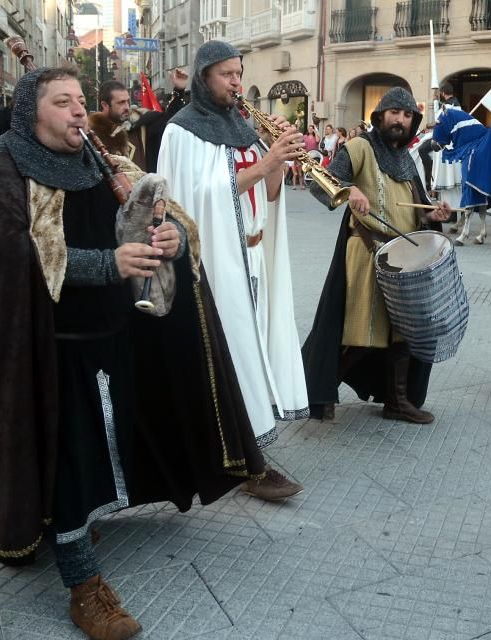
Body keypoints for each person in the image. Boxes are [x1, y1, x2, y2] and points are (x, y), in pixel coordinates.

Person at [0, 65, 281, 640]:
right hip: (45, 353)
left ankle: (66, 520)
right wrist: (105, 265)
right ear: (31, 112)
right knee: (67, 451)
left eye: (80, 100)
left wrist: (171, 236)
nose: (78, 111)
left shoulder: (109, 165)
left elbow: (165, 223)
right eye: (61, 101)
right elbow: (8, 259)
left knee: (102, 445)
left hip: (118, 338)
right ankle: (82, 582)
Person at [158, 42, 310, 485]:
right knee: (231, 355)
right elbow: (190, 199)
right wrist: (265, 162)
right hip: (216, 261)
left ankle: (246, 447)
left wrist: (280, 160)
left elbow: (270, 194)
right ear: (204, 76)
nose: (236, 82)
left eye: (238, 73)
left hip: (254, 253)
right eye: (226, 74)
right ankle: (244, 458)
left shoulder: (244, 126)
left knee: (254, 347)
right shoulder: (180, 132)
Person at [302, 87, 451, 424]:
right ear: (380, 115)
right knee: (362, 332)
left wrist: (434, 215)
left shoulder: (407, 159)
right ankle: (322, 393)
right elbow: (318, 180)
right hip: (367, 252)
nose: (400, 119)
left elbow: (420, 210)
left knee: (403, 330)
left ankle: (397, 402)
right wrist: (349, 189)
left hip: (404, 260)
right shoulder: (360, 147)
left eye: (407, 114)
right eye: (394, 112)